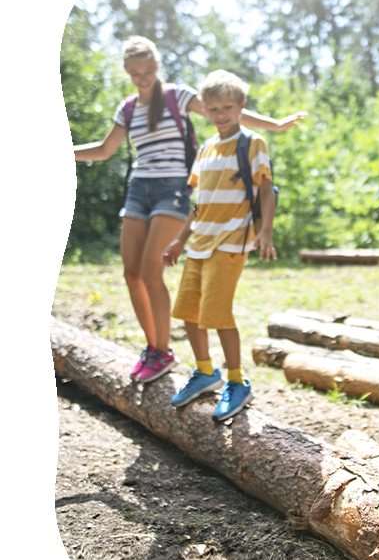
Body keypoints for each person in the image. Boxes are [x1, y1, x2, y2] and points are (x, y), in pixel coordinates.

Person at [50, 36, 305, 382]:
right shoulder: (127, 108)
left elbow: (227, 108)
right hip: (138, 189)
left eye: (149, 70)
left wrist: (276, 124)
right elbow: (104, 149)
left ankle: (164, 351)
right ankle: (154, 348)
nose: (143, 78)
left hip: (172, 190)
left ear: (157, 67)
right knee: (131, 272)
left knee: (151, 270)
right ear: (127, 71)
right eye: (136, 73)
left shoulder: (176, 96)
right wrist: (54, 152)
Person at [162, 70, 276, 422]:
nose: (221, 114)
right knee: (190, 313)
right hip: (199, 242)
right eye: (213, 109)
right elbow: (200, 201)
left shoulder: (252, 142)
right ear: (205, 111)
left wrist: (265, 232)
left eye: (227, 106)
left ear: (241, 106)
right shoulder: (206, 148)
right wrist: (180, 238)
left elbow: (266, 189)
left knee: (218, 314)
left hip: (231, 240)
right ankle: (205, 371)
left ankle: (237, 381)